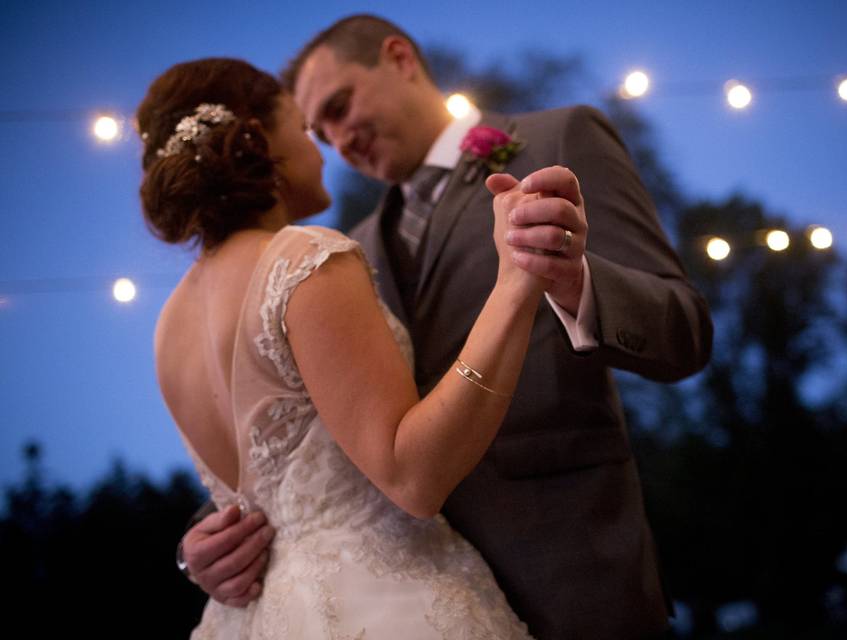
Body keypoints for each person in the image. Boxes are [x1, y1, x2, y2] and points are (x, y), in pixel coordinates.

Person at [180, 14, 713, 640]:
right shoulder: (345, 252)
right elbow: (314, 433)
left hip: (572, 575)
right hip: (418, 598)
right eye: (321, 131)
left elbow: (685, 332)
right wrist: (206, 541)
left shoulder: (560, 137)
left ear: (400, 57)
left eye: (340, 105)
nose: (338, 139)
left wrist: (578, 284)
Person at [141, 56, 545, 638]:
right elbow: (413, 479)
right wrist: (515, 286)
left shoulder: (169, 322)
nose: (323, 148)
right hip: (388, 603)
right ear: (258, 140)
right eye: (305, 129)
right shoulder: (303, 257)